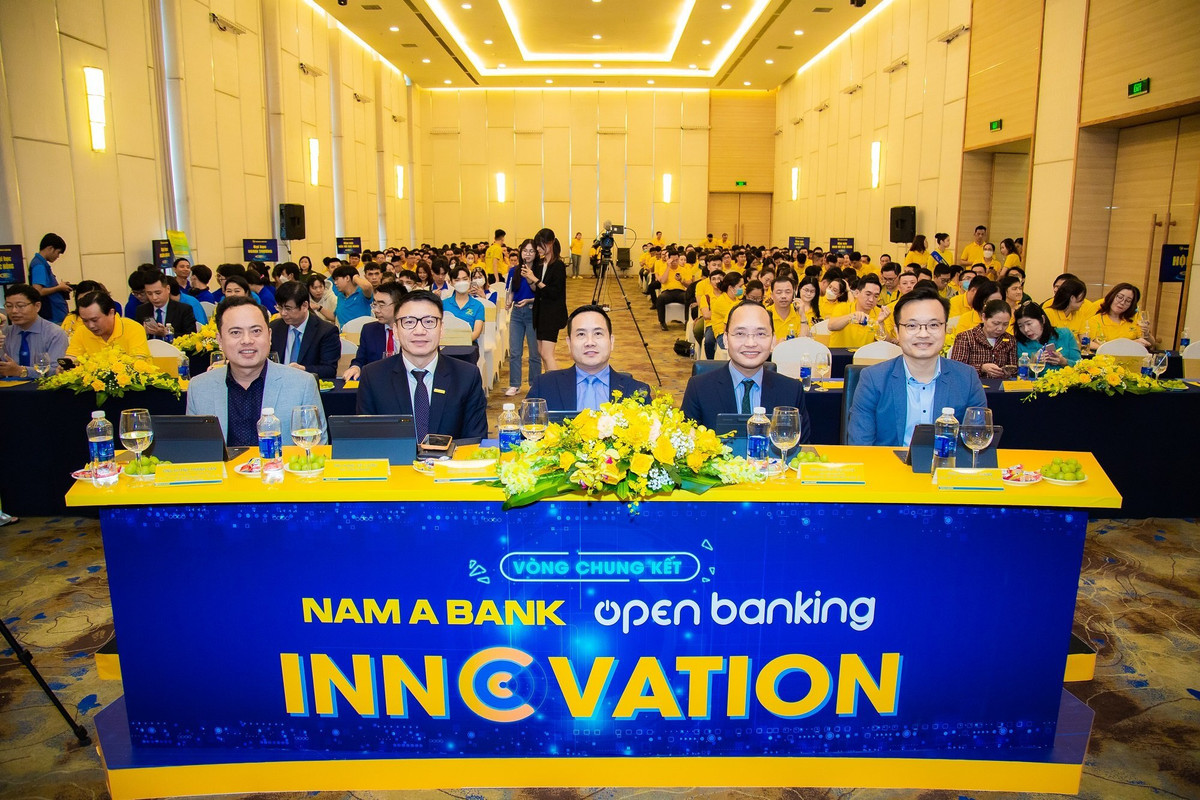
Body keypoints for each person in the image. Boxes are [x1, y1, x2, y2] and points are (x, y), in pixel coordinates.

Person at [847, 285, 986, 447]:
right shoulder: (873, 379)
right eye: (912, 326)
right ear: (897, 331)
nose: (923, 334)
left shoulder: (967, 378)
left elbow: (977, 443)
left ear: (945, 329)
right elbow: (861, 447)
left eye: (933, 325)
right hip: (888, 463)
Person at [186, 296, 325, 446]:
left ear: (269, 336)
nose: (247, 340)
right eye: (235, 332)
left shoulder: (302, 384)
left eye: (256, 331)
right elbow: (194, 450)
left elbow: (316, 449)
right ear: (220, 340)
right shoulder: (199, 388)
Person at [355, 290, 488, 441]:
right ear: (396, 330)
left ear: (441, 329)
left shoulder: (466, 376)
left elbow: (474, 441)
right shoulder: (373, 376)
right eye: (409, 322)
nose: (419, 331)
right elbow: (366, 440)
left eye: (429, 322)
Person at [682, 302, 810, 438]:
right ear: (725, 340)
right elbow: (686, 444)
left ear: (773, 341)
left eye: (760, 333)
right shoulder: (699, 389)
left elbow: (802, 446)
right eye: (740, 333)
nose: (750, 343)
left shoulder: (791, 390)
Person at [527, 305, 650, 412]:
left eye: (598, 333)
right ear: (569, 343)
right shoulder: (544, 386)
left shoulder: (637, 391)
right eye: (581, 334)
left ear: (611, 341)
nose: (590, 342)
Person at [269, 281, 340, 379]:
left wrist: (303, 369)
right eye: (280, 308)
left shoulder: (326, 331)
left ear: (305, 306)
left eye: (288, 308)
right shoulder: (274, 328)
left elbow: (329, 370)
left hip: (309, 383)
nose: (283, 313)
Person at [0, 284, 69, 379]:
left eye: (20, 306)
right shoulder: (6, 333)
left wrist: (21, 371)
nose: (14, 311)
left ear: (37, 306)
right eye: (9, 306)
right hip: (10, 386)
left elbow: (57, 371)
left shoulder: (55, 333)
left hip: (43, 387)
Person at [343, 282, 404, 381]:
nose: (376, 310)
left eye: (381, 305)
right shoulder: (369, 330)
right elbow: (360, 360)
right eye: (375, 304)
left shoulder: (412, 331)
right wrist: (355, 367)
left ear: (399, 305)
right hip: (377, 382)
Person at [65, 291, 151, 360]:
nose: (91, 326)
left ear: (111, 313)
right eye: (85, 320)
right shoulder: (81, 331)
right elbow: (72, 357)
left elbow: (138, 363)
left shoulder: (133, 328)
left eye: (94, 320)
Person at [528, 228, 568, 371]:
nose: (538, 249)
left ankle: (555, 382)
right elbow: (537, 289)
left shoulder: (558, 265)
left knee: (547, 353)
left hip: (552, 314)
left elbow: (554, 292)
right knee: (541, 352)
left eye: (541, 245)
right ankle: (549, 380)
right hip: (540, 313)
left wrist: (535, 280)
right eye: (537, 246)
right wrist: (529, 279)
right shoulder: (540, 263)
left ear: (551, 243)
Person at [504, 244, 540, 396]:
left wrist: (529, 300)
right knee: (515, 351)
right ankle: (514, 384)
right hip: (517, 313)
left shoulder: (539, 270)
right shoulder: (514, 270)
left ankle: (534, 384)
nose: (528, 254)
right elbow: (511, 290)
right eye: (525, 251)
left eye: (531, 251)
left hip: (533, 311)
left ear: (536, 253)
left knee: (534, 352)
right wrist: (508, 302)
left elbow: (540, 293)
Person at [950, 299, 1017, 379]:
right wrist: (981, 368)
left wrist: (1007, 372)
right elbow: (956, 368)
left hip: (1000, 385)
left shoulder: (1009, 340)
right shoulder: (966, 337)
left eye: (1005, 324)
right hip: (972, 384)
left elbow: (1013, 370)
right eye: (996, 323)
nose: (1000, 328)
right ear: (984, 317)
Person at [1082, 282, 1153, 350]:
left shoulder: (1135, 318)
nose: (1122, 302)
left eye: (1128, 301)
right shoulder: (1095, 321)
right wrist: (1129, 344)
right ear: (1112, 296)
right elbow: (1087, 343)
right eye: (1120, 297)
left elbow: (1151, 344)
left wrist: (1147, 334)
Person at [828, 274, 890, 348]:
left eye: (876, 296)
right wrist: (851, 317)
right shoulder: (842, 307)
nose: (871, 299)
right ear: (857, 293)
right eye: (868, 294)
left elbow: (887, 343)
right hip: (840, 353)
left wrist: (881, 323)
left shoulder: (881, 313)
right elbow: (831, 326)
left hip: (865, 354)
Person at [1013, 302, 1080, 370]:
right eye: (1020, 326)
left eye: (1029, 324)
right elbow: (1020, 373)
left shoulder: (1065, 334)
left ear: (1043, 319)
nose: (1026, 329)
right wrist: (1033, 362)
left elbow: (1080, 365)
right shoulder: (1020, 344)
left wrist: (1064, 362)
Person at [134, 270, 197, 340]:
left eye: (158, 293)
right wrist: (144, 333)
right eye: (149, 294)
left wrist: (167, 333)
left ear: (168, 289)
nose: (154, 298)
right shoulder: (142, 310)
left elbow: (191, 337)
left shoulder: (184, 310)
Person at [29, 233, 71, 324]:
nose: (58, 256)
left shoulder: (41, 264)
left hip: (55, 315)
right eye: (58, 252)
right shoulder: (39, 265)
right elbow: (38, 291)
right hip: (52, 316)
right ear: (51, 248)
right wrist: (59, 288)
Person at [704, 272, 743, 359]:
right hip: (722, 335)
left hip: (737, 333)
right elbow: (737, 318)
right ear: (731, 288)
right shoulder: (721, 302)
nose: (743, 289)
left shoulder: (737, 300)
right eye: (740, 286)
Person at [1043, 277, 1093, 344]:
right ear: (1072, 298)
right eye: (1082, 298)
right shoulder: (1048, 313)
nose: (1083, 302)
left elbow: (1085, 341)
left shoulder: (1079, 315)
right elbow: (1043, 341)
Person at [655, 249, 696, 330]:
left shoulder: (684, 270)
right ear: (669, 259)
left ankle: (687, 321)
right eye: (673, 260)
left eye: (677, 260)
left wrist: (681, 280)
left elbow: (689, 285)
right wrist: (668, 267)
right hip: (667, 292)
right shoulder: (663, 268)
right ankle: (662, 322)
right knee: (660, 298)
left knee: (689, 298)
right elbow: (663, 281)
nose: (675, 262)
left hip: (680, 292)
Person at [444, 265, 485, 343]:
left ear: (470, 280)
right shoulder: (443, 304)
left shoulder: (478, 306)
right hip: (445, 344)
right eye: (457, 280)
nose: (461, 283)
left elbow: (476, 332)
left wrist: (460, 342)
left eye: (465, 279)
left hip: (469, 345)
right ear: (451, 282)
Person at [768, 275, 807, 340]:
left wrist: (803, 315)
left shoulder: (799, 312)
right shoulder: (765, 314)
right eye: (779, 292)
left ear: (793, 294)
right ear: (772, 295)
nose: (783, 296)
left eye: (788, 292)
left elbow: (804, 341)